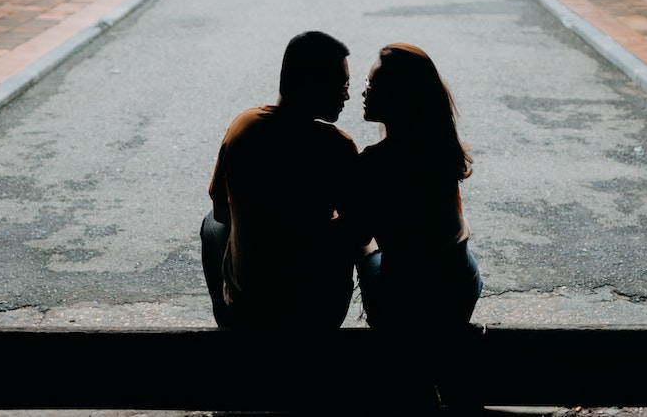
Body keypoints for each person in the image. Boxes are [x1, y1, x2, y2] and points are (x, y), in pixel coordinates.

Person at [200, 31, 370, 329]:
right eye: (342, 85)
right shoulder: (336, 146)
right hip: (318, 311)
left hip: (248, 309)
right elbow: (359, 233)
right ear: (311, 83)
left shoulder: (244, 127)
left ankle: (225, 321)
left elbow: (221, 211)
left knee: (211, 225)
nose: (347, 96)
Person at [355, 43, 482, 331]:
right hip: (462, 286)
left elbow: (359, 231)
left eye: (370, 86)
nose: (363, 93)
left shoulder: (375, 162)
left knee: (358, 243)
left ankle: (379, 320)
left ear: (395, 98)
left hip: (410, 297)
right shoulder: (441, 148)